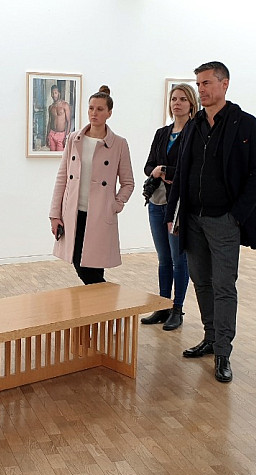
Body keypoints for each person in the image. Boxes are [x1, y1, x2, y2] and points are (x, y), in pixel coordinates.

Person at [165, 62, 256, 383]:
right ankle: (210, 337)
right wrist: (173, 214)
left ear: (225, 84)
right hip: (192, 218)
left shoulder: (245, 124)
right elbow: (182, 173)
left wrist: (236, 214)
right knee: (201, 281)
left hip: (225, 220)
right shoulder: (194, 125)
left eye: (207, 83)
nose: (202, 89)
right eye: (199, 84)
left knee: (224, 285)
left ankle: (223, 351)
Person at [49, 85, 134, 284]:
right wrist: (55, 214)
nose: (94, 113)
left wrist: (116, 204)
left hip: (100, 214)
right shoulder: (74, 139)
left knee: (93, 267)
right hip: (73, 212)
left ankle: (103, 302)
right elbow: (62, 177)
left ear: (109, 113)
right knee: (80, 264)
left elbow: (128, 183)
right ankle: (104, 301)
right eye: (91, 108)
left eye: (100, 109)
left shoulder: (119, 144)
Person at [139, 83, 198, 331]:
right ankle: (162, 306)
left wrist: (165, 170)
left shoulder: (195, 132)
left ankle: (177, 309)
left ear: (191, 104)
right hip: (156, 202)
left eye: (183, 99)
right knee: (164, 259)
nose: (177, 103)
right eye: (174, 99)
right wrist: (158, 170)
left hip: (179, 206)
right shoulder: (162, 133)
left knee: (179, 259)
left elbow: (194, 169)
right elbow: (148, 166)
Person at [47, 84, 72, 151]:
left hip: (61, 135)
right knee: (52, 155)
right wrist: (47, 135)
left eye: (55, 93)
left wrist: (66, 137)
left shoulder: (65, 105)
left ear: (59, 93)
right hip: (52, 134)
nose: (53, 95)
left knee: (60, 155)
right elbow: (49, 122)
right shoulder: (51, 107)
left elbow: (69, 122)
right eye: (52, 93)